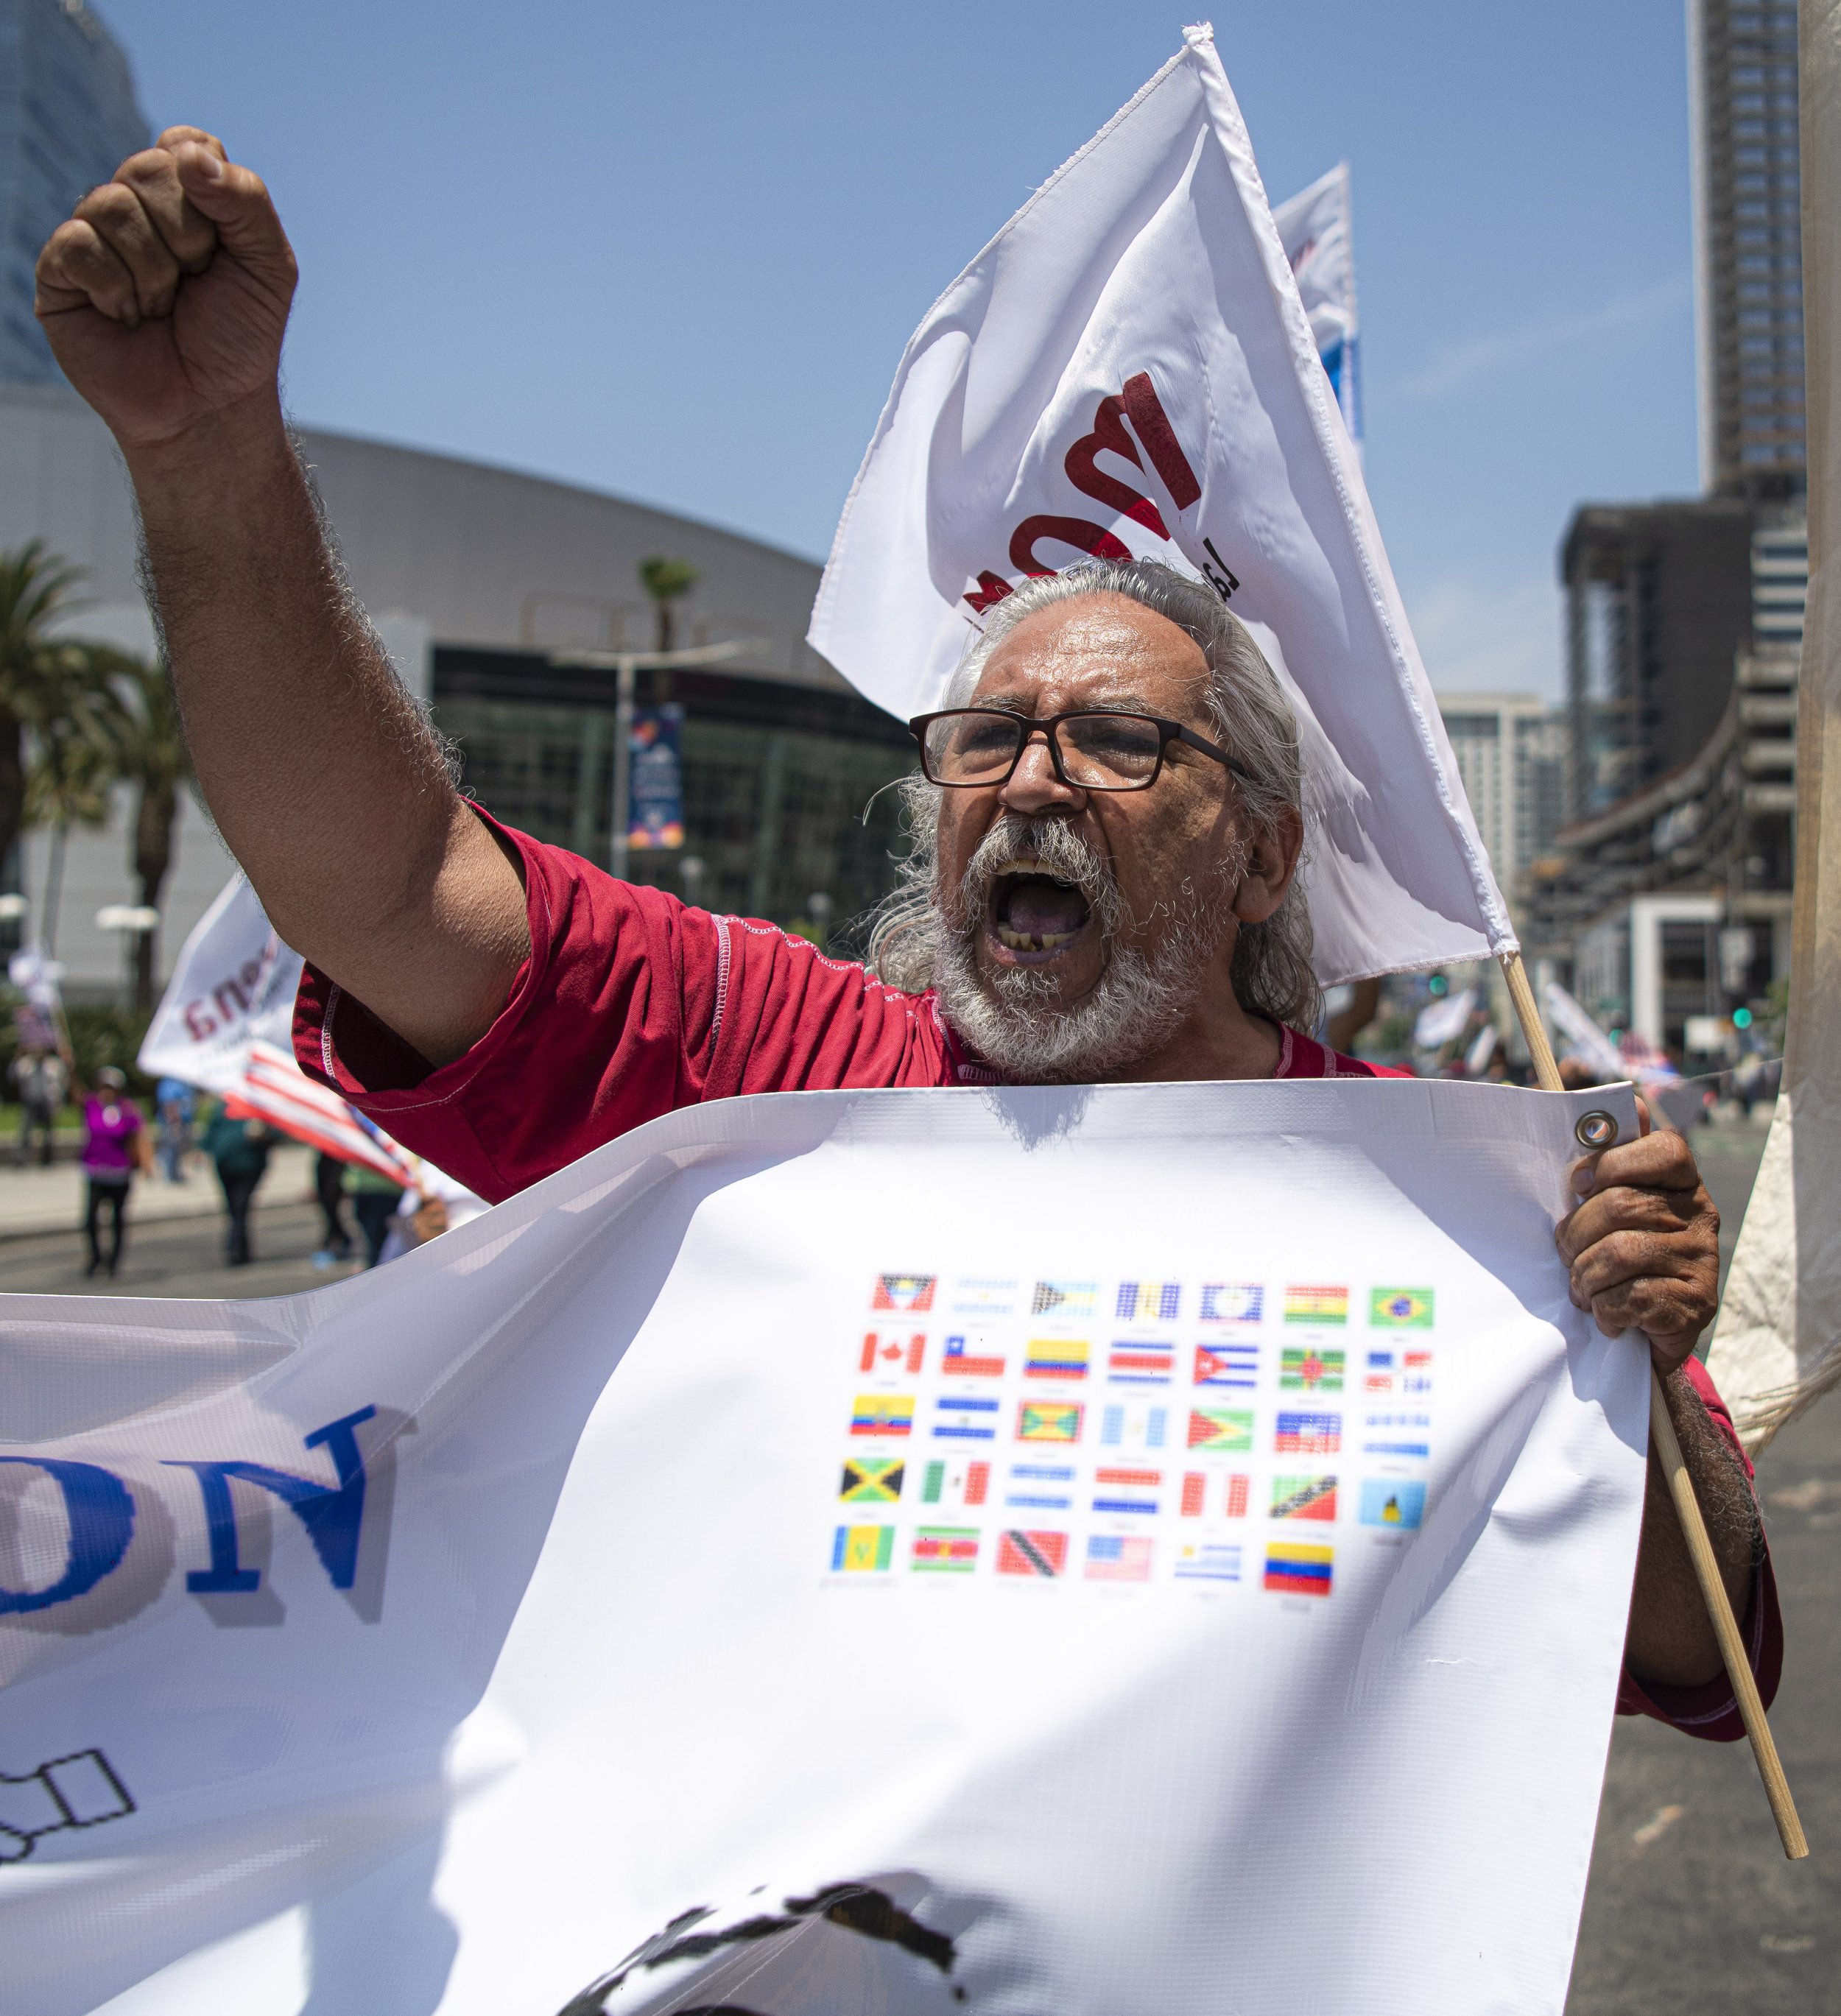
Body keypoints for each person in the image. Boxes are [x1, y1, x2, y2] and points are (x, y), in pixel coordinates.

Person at [34, 127, 1775, 1738]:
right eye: (986, 737)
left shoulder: (1451, 1198)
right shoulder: (781, 1069)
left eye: (1115, 740)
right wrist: (207, 455)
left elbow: (1706, 1668)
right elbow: (392, 893)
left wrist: (1638, 1347)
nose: (1030, 779)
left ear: (1259, 858)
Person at [75, 1065, 150, 1277]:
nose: (107, 1091)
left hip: (120, 1173)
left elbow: (139, 1137)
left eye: (111, 1087)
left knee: (117, 1219)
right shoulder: (92, 1105)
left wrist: (146, 1163)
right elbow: (74, 1093)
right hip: (96, 1172)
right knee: (90, 1219)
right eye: (104, 1086)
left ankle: (114, 1261)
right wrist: (70, 1069)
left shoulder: (127, 1109)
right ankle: (95, 1256)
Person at [201, 1102, 271, 1266]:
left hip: (249, 1166)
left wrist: (262, 1133)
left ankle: (234, 1247)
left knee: (241, 1205)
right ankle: (242, 1247)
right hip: (225, 1166)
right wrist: (202, 1149)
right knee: (233, 1207)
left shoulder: (256, 1105)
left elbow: (277, 1131)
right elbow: (212, 1131)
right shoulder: (222, 1106)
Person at [12, 1044, 68, 1167]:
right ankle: (20, 1159)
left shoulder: (54, 1064)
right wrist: (17, 1058)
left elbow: (63, 1080)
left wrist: (67, 1061)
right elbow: (12, 1077)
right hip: (30, 1101)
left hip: (48, 1101)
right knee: (25, 1131)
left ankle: (47, 1159)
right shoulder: (25, 1063)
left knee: (49, 1133)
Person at [345, 1160, 405, 1269]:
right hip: (363, 1188)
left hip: (387, 1189)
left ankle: (379, 1271)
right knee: (375, 1241)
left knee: (382, 1242)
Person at [311, 1149, 354, 1266]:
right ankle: (337, 1239)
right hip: (327, 1153)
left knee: (330, 1200)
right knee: (327, 1203)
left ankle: (336, 1240)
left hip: (337, 1155)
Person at [154, 1074, 196, 1181]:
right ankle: (170, 1176)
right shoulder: (170, 1083)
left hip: (181, 1121)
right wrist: (175, 1122)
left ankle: (175, 1174)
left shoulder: (181, 1081)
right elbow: (169, 1104)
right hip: (174, 1122)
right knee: (171, 1148)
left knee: (177, 1149)